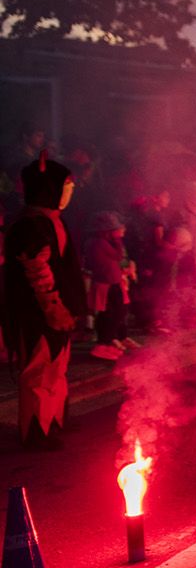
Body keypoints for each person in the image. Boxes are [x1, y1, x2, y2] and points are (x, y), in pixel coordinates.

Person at [2, 153, 87, 450]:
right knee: (39, 371)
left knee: (55, 368)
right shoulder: (31, 224)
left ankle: (51, 422)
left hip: (55, 313)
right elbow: (37, 269)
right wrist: (54, 308)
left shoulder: (49, 221)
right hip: (36, 313)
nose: (69, 193)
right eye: (65, 187)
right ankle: (35, 432)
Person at [85, 211, 137, 360]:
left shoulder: (100, 242)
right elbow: (118, 255)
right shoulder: (98, 242)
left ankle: (109, 341)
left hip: (111, 281)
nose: (121, 230)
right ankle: (103, 344)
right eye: (117, 228)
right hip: (106, 283)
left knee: (117, 311)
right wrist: (118, 241)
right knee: (110, 313)